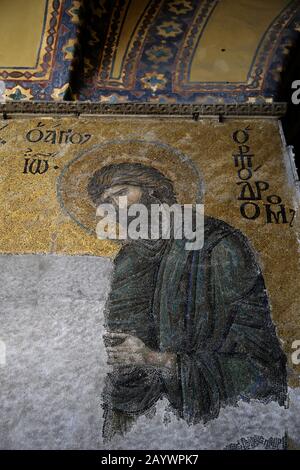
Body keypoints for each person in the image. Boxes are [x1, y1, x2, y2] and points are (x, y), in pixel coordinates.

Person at [87, 162, 287, 441]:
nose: (114, 206)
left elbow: (261, 367)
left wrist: (158, 360)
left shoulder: (216, 245)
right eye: (105, 202)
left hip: (205, 425)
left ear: (154, 192)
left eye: (121, 192)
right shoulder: (127, 261)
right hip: (133, 418)